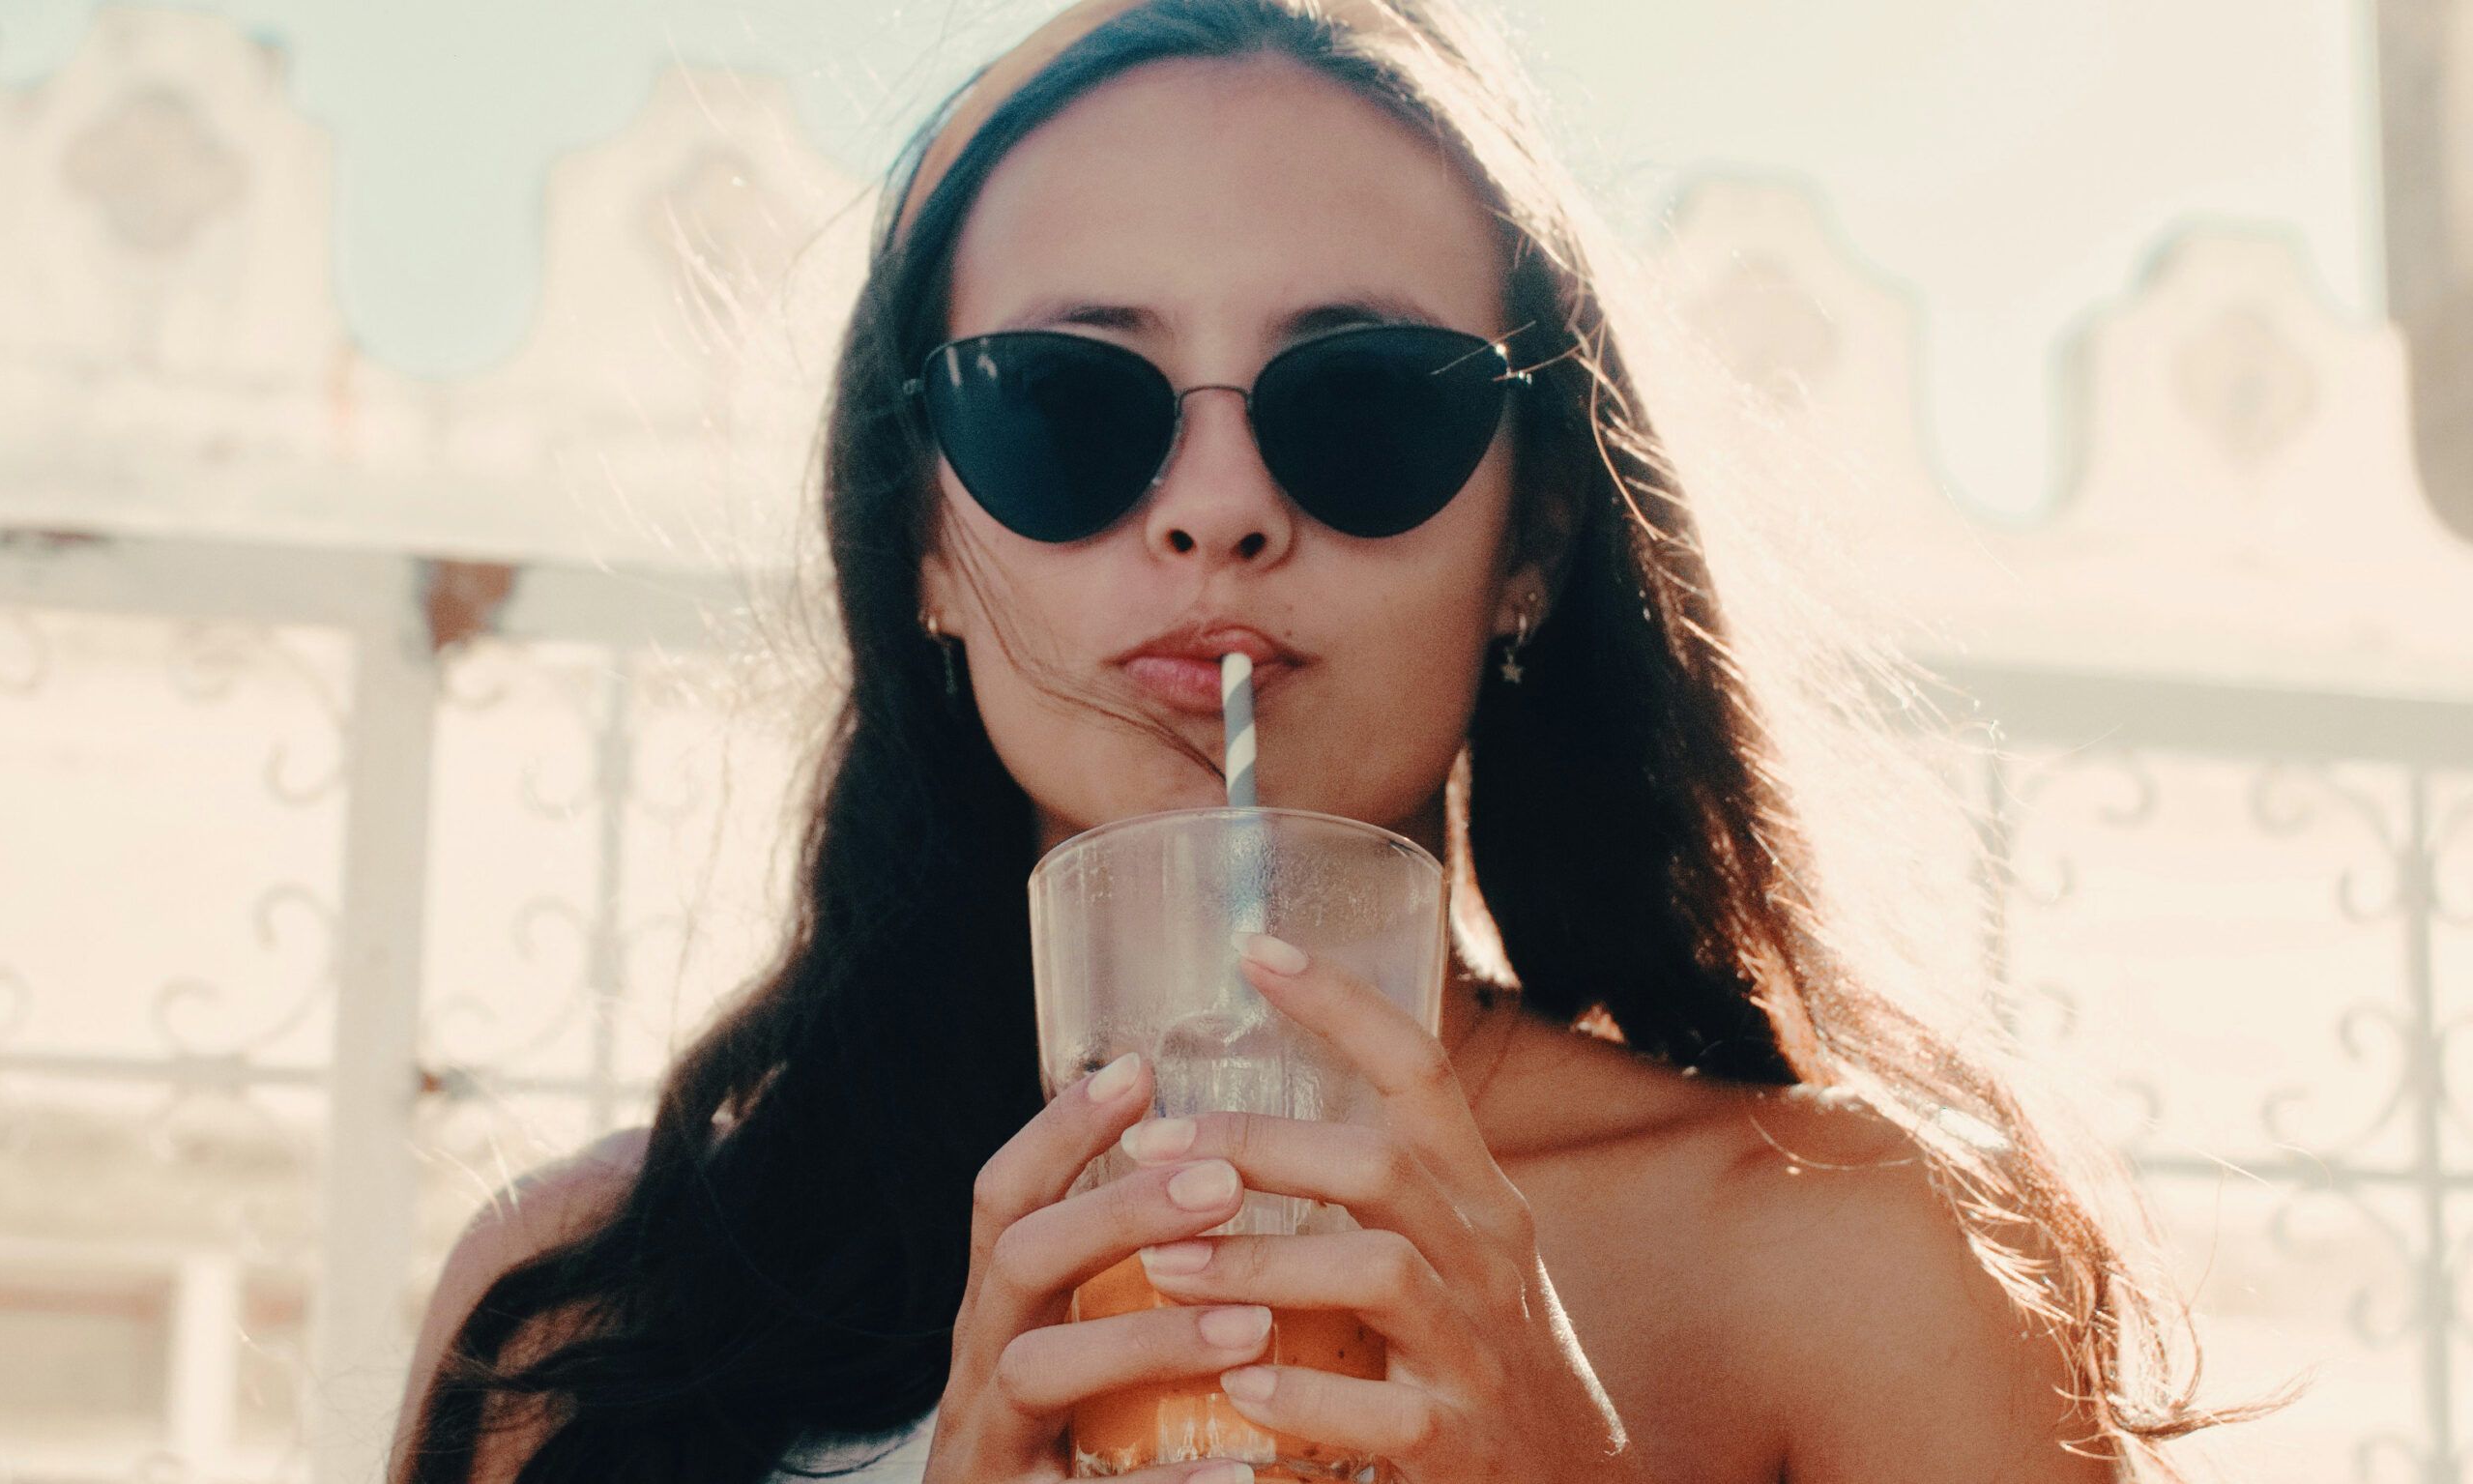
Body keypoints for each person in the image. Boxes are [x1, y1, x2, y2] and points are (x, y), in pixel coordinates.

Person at [387, 2, 2284, 1480]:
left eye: (1366, 404)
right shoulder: (592, 1318)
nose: (1215, 504)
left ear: (1531, 539)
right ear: (923, 548)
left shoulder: (1854, 1264)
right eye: (1065, 406)